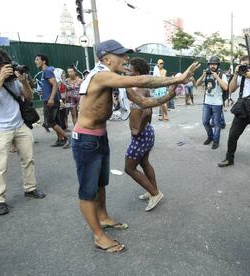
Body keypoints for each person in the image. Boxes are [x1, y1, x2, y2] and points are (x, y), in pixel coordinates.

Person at [72, 39, 199, 253]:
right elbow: (145, 80)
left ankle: (102, 218)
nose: (126, 58)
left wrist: (171, 92)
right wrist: (177, 77)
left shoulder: (115, 80)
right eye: (121, 55)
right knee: (88, 191)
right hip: (86, 140)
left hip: (99, 137)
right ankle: (98, 236)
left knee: (101, 184)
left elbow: (145, 102)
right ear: (106, 59)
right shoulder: (102, 76)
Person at [0, 49, 45, 215]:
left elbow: (28, 98)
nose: (7, 69)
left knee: (28, 158)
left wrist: (23, 82)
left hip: (19, 125)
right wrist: (1, 78)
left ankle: (30, 188)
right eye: (3, 67)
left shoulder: (13, 81)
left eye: (8, 66)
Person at [124, 57, 168, 211]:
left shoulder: (142, 89)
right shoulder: (136, 87)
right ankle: (152, 191)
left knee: (129, 168)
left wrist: (138, 130)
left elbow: (147, 112)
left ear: (137, 71)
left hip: (141, 134)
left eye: (130, 68)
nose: (128, 70)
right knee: (144, 163)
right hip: (142, 133)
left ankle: (155, 193)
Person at [217, 55, 250, 173]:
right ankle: (229, 158)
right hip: (242, 108)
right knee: (232, 135)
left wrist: (249, 74)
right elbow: (231, 89)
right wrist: (236, 74)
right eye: (243, 65)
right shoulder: (240, 76)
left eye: (247, 65)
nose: (245, 67)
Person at [34, 54, 70, 149]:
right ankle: (60, 140)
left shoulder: (47, 71)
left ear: (44, 61)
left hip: (51, 100)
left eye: (37, 59)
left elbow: (55, 85)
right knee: (56, 121)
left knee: (50, 122)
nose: (35, 61)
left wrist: (51, 98)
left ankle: (67, 138)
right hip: (50, 99)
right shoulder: (45, 71)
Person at [195, 56, 228, 149]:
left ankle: (216, 141)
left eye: (214, 64)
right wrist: (203, 76)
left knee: (217, 124)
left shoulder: (222, 75)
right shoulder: (207, 74)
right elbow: (196, 84)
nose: (212, 66)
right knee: (205, 122)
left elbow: (225, 87)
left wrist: (217, 77)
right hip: (207, 103)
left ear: (218, 65)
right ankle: (210, 137)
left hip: (217, 104)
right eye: (211, 64)